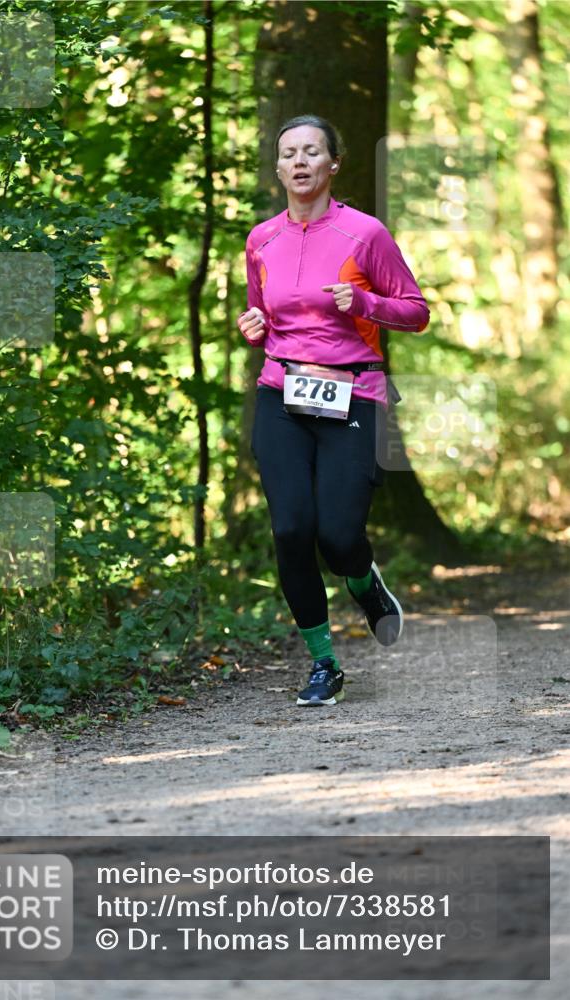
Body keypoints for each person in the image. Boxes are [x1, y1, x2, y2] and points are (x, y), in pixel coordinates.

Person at [237, 114, 430, 707]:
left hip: (353, 393)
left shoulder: (366, 234)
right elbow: (261, 315)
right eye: (289, 153)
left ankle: (363, 582)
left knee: (340, 533)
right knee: (292, 529)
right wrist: (253, 327)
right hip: (282, 394)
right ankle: (324, 663)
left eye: (312, 152)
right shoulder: (260, 239)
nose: (300, 162)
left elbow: (417, 311)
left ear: (332, 164)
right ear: (278, 167)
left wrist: (367, 302)